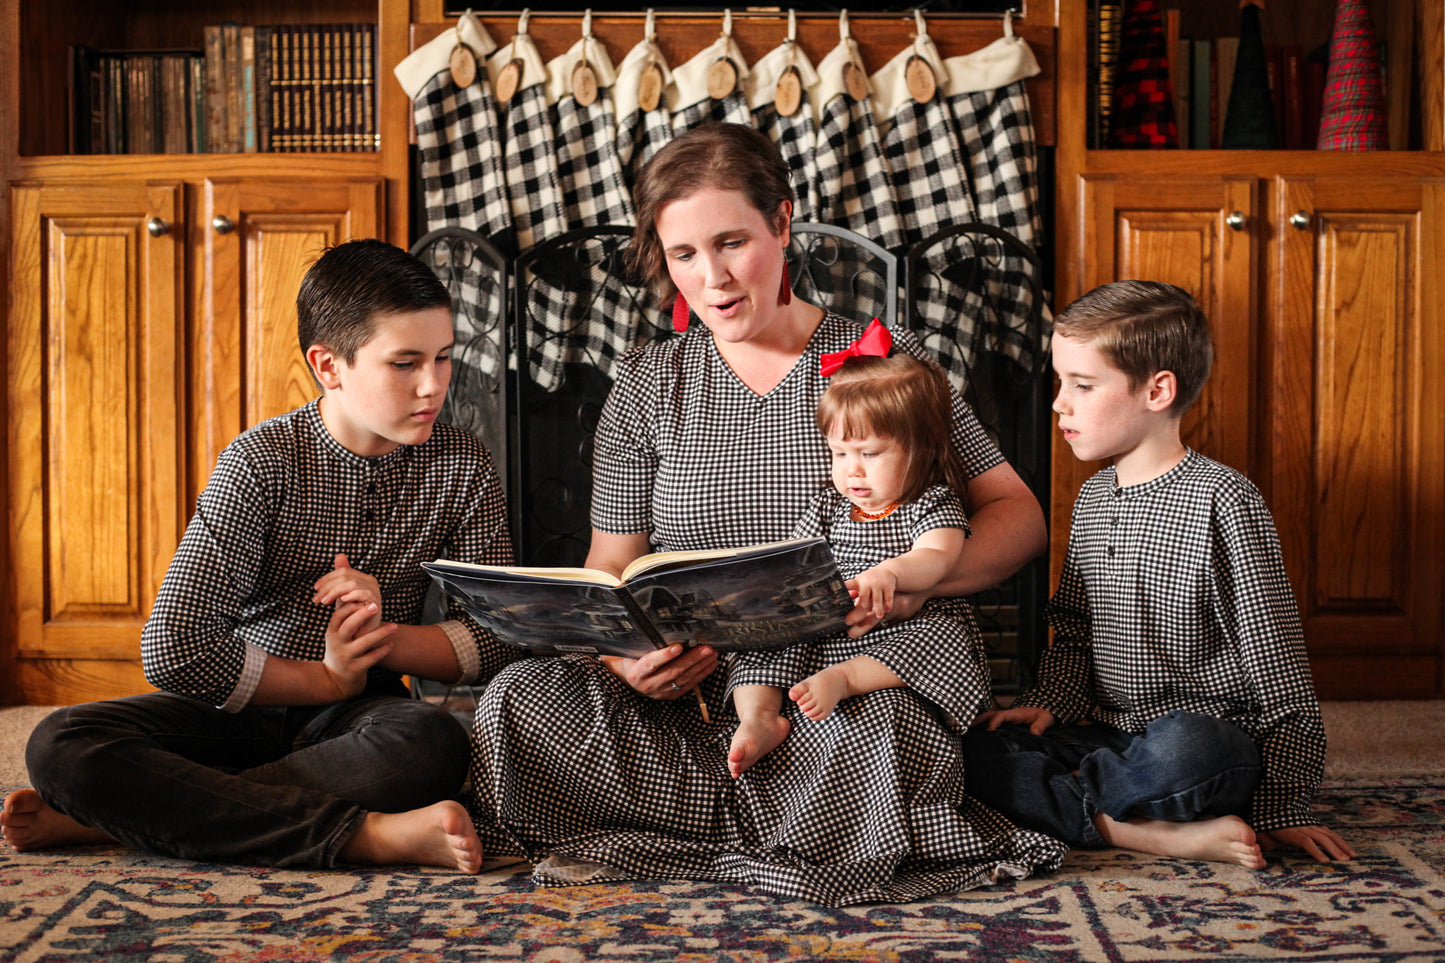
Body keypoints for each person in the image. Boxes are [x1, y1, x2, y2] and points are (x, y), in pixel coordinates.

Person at [470, 123, 1067, 907]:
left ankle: (691, 837)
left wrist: (920, 580)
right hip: (688, 702)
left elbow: (1017, 517)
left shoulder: (884, 360)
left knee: (878, 728)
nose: (711, 277)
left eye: (731, 243)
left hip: (830, 692)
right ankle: (785, 833)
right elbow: (608, 565)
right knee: (516, 701)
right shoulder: (649, 380)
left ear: (782, 224)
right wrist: (621, 660)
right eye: (683, 255)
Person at [1, 239, 518, 872]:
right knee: (61, 744)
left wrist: (378, 640)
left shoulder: (461, 463)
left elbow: (499, 636)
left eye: (443, 358)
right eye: (404, 363)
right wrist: (321, 679)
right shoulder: (261, 462)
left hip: (360, 717)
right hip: (238, 710)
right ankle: (367, 836)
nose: (433, 386)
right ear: (328, 366)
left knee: (430, 743)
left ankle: (130, 814)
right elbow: (172, 646)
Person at [963, 279, 1356, 868]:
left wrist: (1281, 807)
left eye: (1082, 385)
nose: (1058, 403)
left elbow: (1282, 678)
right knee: (970, 747)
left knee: (1189, 753)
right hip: (1106, 734)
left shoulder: (1226, 501)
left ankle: (1074, 802)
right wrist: (1048, 702)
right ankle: (1135, 827)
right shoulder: (1093, 497)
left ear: (1158, 390)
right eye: (1059, 382)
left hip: (1201, 739)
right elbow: (1073, 630)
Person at [727, 327, 985, 778]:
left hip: (901, 626)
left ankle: (845, 680)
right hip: (831, 622)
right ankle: (760, 716)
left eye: (868, 453)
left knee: (945, 637)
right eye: (839, 454)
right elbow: (796, 559)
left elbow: (938, 557)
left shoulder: (930, 502)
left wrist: (891, 574)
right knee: (761, 638)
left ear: (920, 450)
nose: (852, 471)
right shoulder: (829, 504)